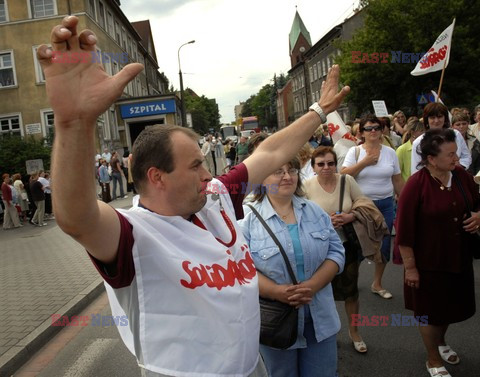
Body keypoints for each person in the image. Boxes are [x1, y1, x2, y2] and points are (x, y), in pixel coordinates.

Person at [37, 15, 349, 377]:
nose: (208, 174)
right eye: (196, 165)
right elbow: (75, 217)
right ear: (158, 177)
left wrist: (318, 110)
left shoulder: (213, 199)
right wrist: (74, 124)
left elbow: (271, 154)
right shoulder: (130, 234)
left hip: (250, 367)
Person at [239, 157, 345, 377]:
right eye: (278, 171)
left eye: (292, 170)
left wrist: (313, 286)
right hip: (274, 322)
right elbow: (240, 269)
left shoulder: (315, 211)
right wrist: (277, 292)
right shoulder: (245, 219)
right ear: (261, 178)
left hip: (320, 319)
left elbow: (336, 252)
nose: (287, 176)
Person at [396, 128, 479, 377]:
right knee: (428, 313)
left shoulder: (461, 176)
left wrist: (478, 217)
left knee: (450, 309)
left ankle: (441, 343)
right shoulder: (416, 184)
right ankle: (433, 359)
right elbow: (404, 230)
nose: (457, 158)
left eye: (456, 153)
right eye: (450, 154)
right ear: (431, 159)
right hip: (427, 262)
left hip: (458, 258)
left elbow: (477, 203)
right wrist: (410, 267)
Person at [304, 146, 367, 354]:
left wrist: (350, 216)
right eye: (321, 164)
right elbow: (298, 215)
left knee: (351, 292)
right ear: (313, 167)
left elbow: (364, 204)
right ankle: (325, 334)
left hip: (346, 244)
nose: (326, 168)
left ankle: (354, 331)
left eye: (331, 163)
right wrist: (321, 222)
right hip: (318, 249)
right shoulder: (306, 186)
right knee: (320, 292)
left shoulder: (346, 181)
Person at [341, 114, 404, 299]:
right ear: (362, 132)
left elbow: (397, 179)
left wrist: (407, 199)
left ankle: (377, 283)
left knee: (384, 246)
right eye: (369, 128)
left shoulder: (390, 152)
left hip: (386, 204)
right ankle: (351, 281)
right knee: (360, 246)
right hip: (363, 207)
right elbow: (344, 175)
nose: (374, 131)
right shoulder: (355, 152)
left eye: (377, 127)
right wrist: (364, 162)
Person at [411, 103, 471, 175]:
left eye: (439, 117)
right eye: (432, 117)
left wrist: (460, 166)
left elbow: (466, 156)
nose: (436, 121)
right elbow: (416, 170)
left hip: (455, 178)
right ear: (427, 120)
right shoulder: (419, 142)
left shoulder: (456, 135)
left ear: (445, 118)